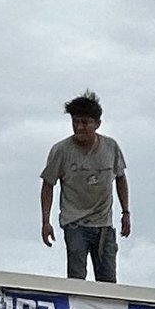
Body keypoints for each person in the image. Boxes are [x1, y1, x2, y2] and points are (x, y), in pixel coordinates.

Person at [40, 91, 131, 283]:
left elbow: (121, 178)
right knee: (76, 277)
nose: (79, 127)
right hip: (75, 222)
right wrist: (46, 221)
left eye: (85, 123)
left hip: (104, 224)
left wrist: (126, 213)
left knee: (107, 281)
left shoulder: (110, 147)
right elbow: (48, 185)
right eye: (75, 122)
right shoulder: (61, 151)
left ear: (97, 123)